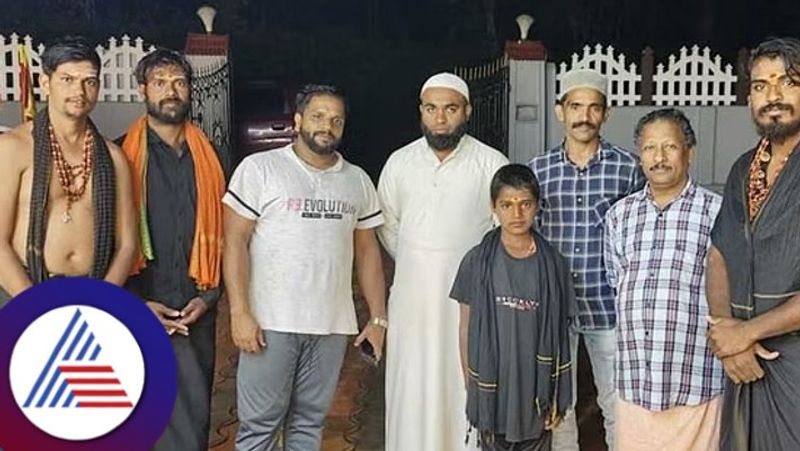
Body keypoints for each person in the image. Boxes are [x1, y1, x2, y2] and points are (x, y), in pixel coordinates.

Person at [223, 84, 387, 451]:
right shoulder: (260, 169)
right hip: (270, 324)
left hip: (330, 327)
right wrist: (239, 313)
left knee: (309, 426)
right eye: (317, 116)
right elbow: (234, 242)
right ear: (297, 120)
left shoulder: (357, 180)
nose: (326, 125)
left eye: (336, 120)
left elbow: (368, 254)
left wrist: (378, 320)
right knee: (259, 428)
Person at [378, 72, 509, 451]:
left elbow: (503, 229)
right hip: (412, 301)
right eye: (432, 109)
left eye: (450, 109)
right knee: (411, 386)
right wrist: (421, 264)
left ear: (466, 111)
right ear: (421, 111)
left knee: (461, 382)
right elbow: (389, 227)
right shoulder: (399, 163)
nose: (440, 118)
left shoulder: (490, 163)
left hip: (470, 304)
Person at [529, 68, 644, 450]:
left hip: (608, 306)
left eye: (594, 108)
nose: (584, 116)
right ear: (560, 110)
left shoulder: (628, 168)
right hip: (556, 306)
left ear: (606, 114)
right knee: (560, 403)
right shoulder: (538, 170)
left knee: (617, 401)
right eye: (575, 106)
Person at [119, 48, 226, 450]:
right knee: (136, 412)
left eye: (179, 82)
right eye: (160, 82)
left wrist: (210, 297)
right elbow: (105, 239)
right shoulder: (117, 156)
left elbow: (229, 234)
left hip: (195, 304)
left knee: (192, 417)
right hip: (138, 302)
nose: (171, 91)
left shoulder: (212, 157)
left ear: (190, 90)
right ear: (142, 89)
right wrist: (135, 304)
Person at [604, 108, 724, 450]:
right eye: (648, 148)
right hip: (635, 380)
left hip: (696, 377)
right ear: (639, 156)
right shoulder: (620, 216)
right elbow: (617, 282)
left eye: (669, 147)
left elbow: (728, 292)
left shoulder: (716, 212)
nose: (659, 158)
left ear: (690, 152)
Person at [706, 37, 800, 451]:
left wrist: (745, 333)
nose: (772, 96)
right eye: (760, 86)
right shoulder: (745, 168)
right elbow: (719, 254)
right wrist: (726, 333)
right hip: (744, 366)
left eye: (786, 82)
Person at [0, 36, 137, 305]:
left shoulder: (113, 157)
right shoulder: (13, 148)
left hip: (93, 293)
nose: (80, 91)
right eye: (67, 79)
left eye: (90, 81)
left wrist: (102, 301)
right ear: (45, 83)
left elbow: (126, 245)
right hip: (23, 294)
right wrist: (35, 306)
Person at [451, 164, 574, 451]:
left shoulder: (553, 263)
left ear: (537, 206)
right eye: (507, 205)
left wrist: (557, 393)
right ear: (493, 207)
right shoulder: (477, 261)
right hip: (494, 391)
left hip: (536, 391)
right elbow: (465, 327)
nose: (516, 214)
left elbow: (561, 335)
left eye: (525, 204)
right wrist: (471, 385)